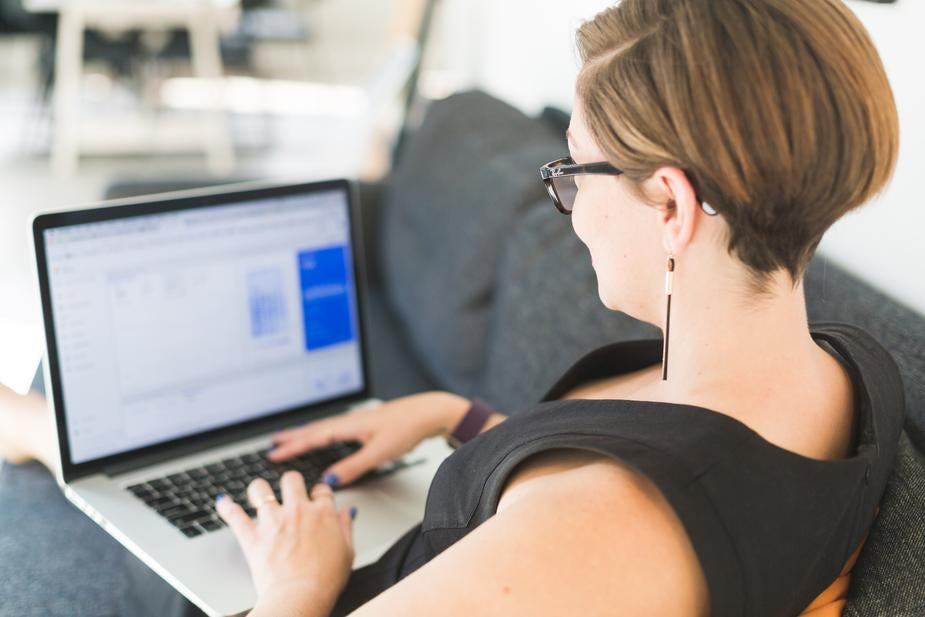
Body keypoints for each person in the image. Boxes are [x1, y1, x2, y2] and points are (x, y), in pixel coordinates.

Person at [0, 0, 906, 615]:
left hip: (307, 586)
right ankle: (48, 432)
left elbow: (614, 520)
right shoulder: (844, 364)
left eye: (571, 171)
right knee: (73, 429)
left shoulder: (603, 527)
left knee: (75, 452)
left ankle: (48, 435)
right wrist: (450, 413)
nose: (570, 206)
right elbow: (682, 459)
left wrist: (295, 585)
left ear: (669, 204)